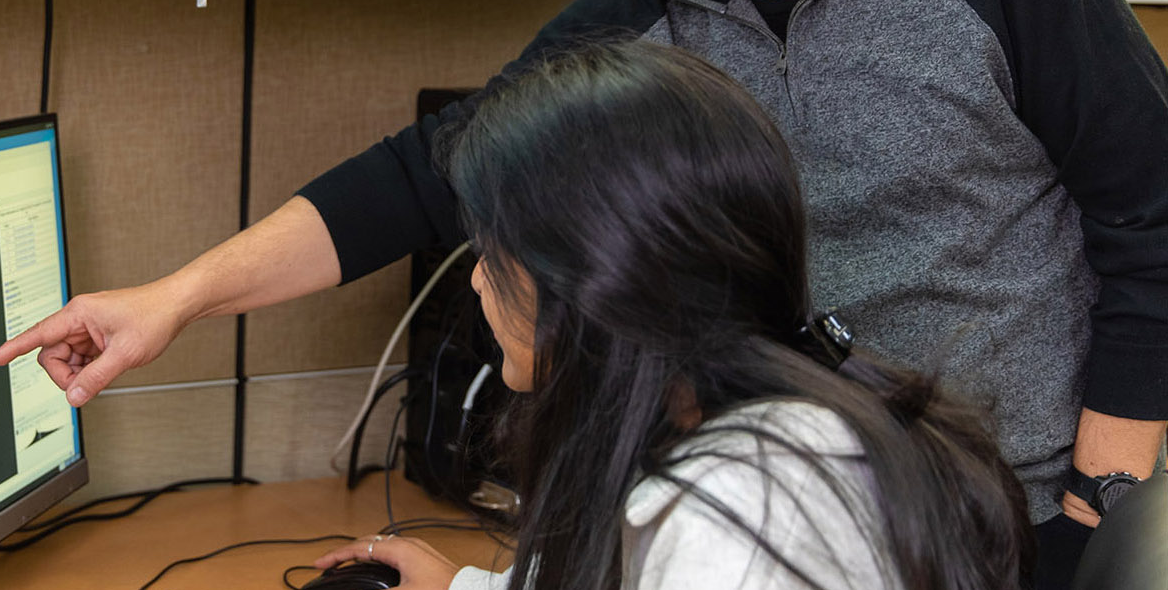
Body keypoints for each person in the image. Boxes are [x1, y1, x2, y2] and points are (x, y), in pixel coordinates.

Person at [0, 0, 1168, 587]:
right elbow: (430, 174)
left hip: (1015, 511)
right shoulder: (648, 6)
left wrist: (1088, 516)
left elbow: (1151, 228)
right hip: (803, 515)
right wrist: (175, 299)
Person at [312, 39, 1034, 590]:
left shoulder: (742, 514)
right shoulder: (730, 434)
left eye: (494, 251)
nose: (474, 281)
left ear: (591, 282)